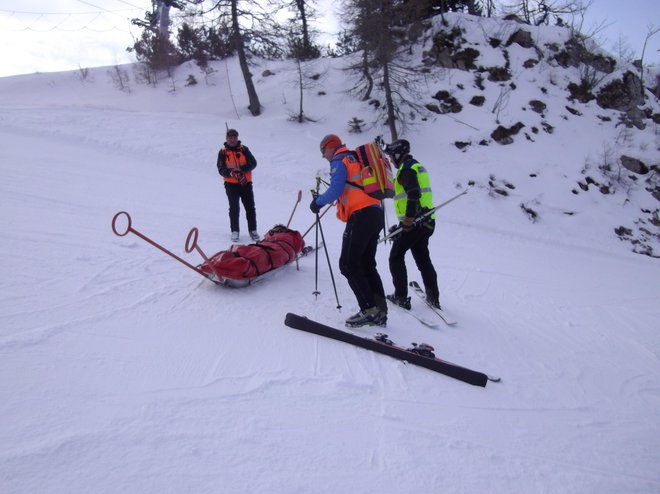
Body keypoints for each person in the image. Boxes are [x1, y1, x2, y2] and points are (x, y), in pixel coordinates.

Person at [310, 134, 388, 328]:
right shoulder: (356, 158)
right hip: (375, 212)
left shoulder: (340, 160)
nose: (323, 156)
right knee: (367, 264)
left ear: (330, 146)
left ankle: (369, 310)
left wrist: (317, 202)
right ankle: (379, 311)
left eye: (322, 150)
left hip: (361, 215)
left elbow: (336, 189)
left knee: (348, 264)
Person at [384, 139, 441, 310]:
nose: (391, 161)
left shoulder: (406, 170)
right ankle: (433, 297)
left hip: (415, 223)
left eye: (391, 157)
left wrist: (408, 220)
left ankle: (400, 296)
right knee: (423, 258)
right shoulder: (416, 166)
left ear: (397, 155)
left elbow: (414, 193)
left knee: (395, 257)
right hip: (427, 222)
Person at [216, 128, 260, 242]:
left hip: (245, 182)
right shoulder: (222, 151)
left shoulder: (244, 149)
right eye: (230, 137)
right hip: (231, 184)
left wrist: (242, 169)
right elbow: (220, 169)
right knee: (234, 208)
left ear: (237, 138)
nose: (232, 139)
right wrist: (230, 173)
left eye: (234, 137)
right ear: (226, 138)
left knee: (250, 207)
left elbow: (253, 163)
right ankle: (235, 231)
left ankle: (253, 230)